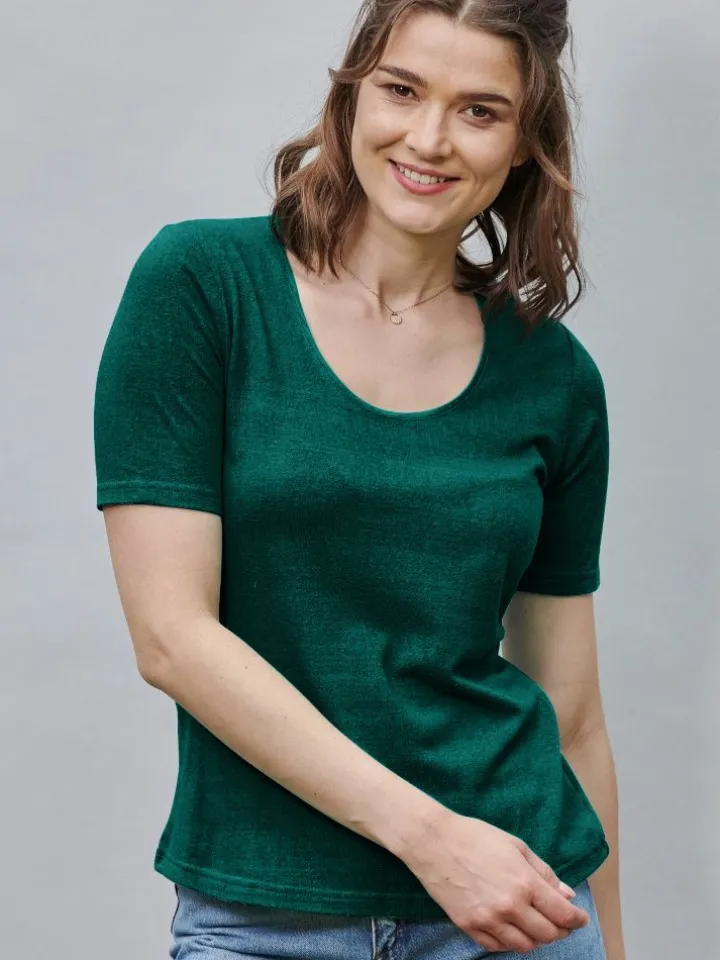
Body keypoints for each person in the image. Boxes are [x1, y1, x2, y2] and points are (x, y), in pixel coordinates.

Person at [94, 0, 625, 957]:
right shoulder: (204, 286)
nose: (429, 139)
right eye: (402, 90)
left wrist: (610, 942)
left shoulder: (554, 378)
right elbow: (172, 637)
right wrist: (433, 841)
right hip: (269, 917)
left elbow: (572, 713)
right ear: (351, 96)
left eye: (479, 110)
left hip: (520, 903)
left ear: (522, 143)